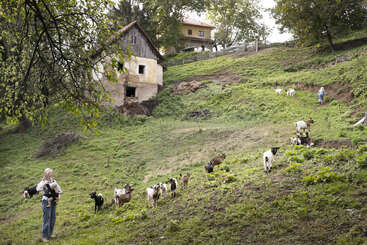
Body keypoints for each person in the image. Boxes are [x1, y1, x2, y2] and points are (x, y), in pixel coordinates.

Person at [36, 168, 62, 242]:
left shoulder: (54, 181)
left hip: (53, 201)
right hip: (46, 201)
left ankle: (50, 234)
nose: (51, 174)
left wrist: (58, 198)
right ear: (46, 174)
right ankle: (44, 236)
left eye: (51, 172)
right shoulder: (43, 181)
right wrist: (43, 185)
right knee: (46, 218)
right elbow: (38, 189)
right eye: (50, 173)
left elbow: (59, 190)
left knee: (53, 218)